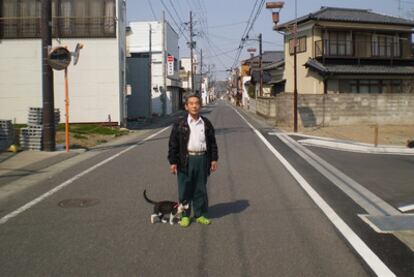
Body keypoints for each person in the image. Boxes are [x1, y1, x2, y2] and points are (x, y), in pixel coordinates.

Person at [168, 94, 218, 227]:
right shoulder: (180, 124)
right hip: (185, 159)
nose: (194, 106)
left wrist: (213, 159)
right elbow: (173, 144)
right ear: (186, 106)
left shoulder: (206, 123)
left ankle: (200, 214)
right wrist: (173, 162)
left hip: (202, 158)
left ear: (200, 106)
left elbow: (212, 143)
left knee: (200, 188)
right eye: (191, 103)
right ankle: (185, 215)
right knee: (185, 189)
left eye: (196, 103)